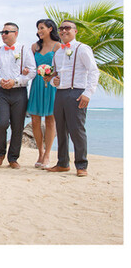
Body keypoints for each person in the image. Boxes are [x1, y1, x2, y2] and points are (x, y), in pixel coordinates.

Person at [46, 20, 99, 177]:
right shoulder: (58, 52)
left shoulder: (82, 49)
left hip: (76, 93)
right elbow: (54, 75)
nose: (63, 31)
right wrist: (52, 81)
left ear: (75, 31)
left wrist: (88, 93)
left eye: (67, 28)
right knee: (60, 130)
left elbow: (94, 71)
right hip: (60, 93)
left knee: (77, 130)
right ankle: (62, 163)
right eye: (61, 29)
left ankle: (81, 165)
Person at [0, 22, 36, 169]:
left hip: (19, 92)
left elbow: (32, 71)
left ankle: (13, 158)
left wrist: (16, 81)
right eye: (2, 32)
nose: (3, 35)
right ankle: (0, 153)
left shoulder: (24, 50)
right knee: (1, 123)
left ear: (16, 33)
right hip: (1, 92)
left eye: (7, 32)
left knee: (18, 126)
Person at [27, 19, 61, 169]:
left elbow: (62, 66)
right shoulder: (34, 47)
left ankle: (47, 154)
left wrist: (53, 75)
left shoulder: (58, 46)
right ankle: (40, 151)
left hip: (51, 85)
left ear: (50, 28)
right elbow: (29, 66)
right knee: (35, 119)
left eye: (42, 28)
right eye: (38, 28)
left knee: (50, 120)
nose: (39, 31)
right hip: (37, 84)